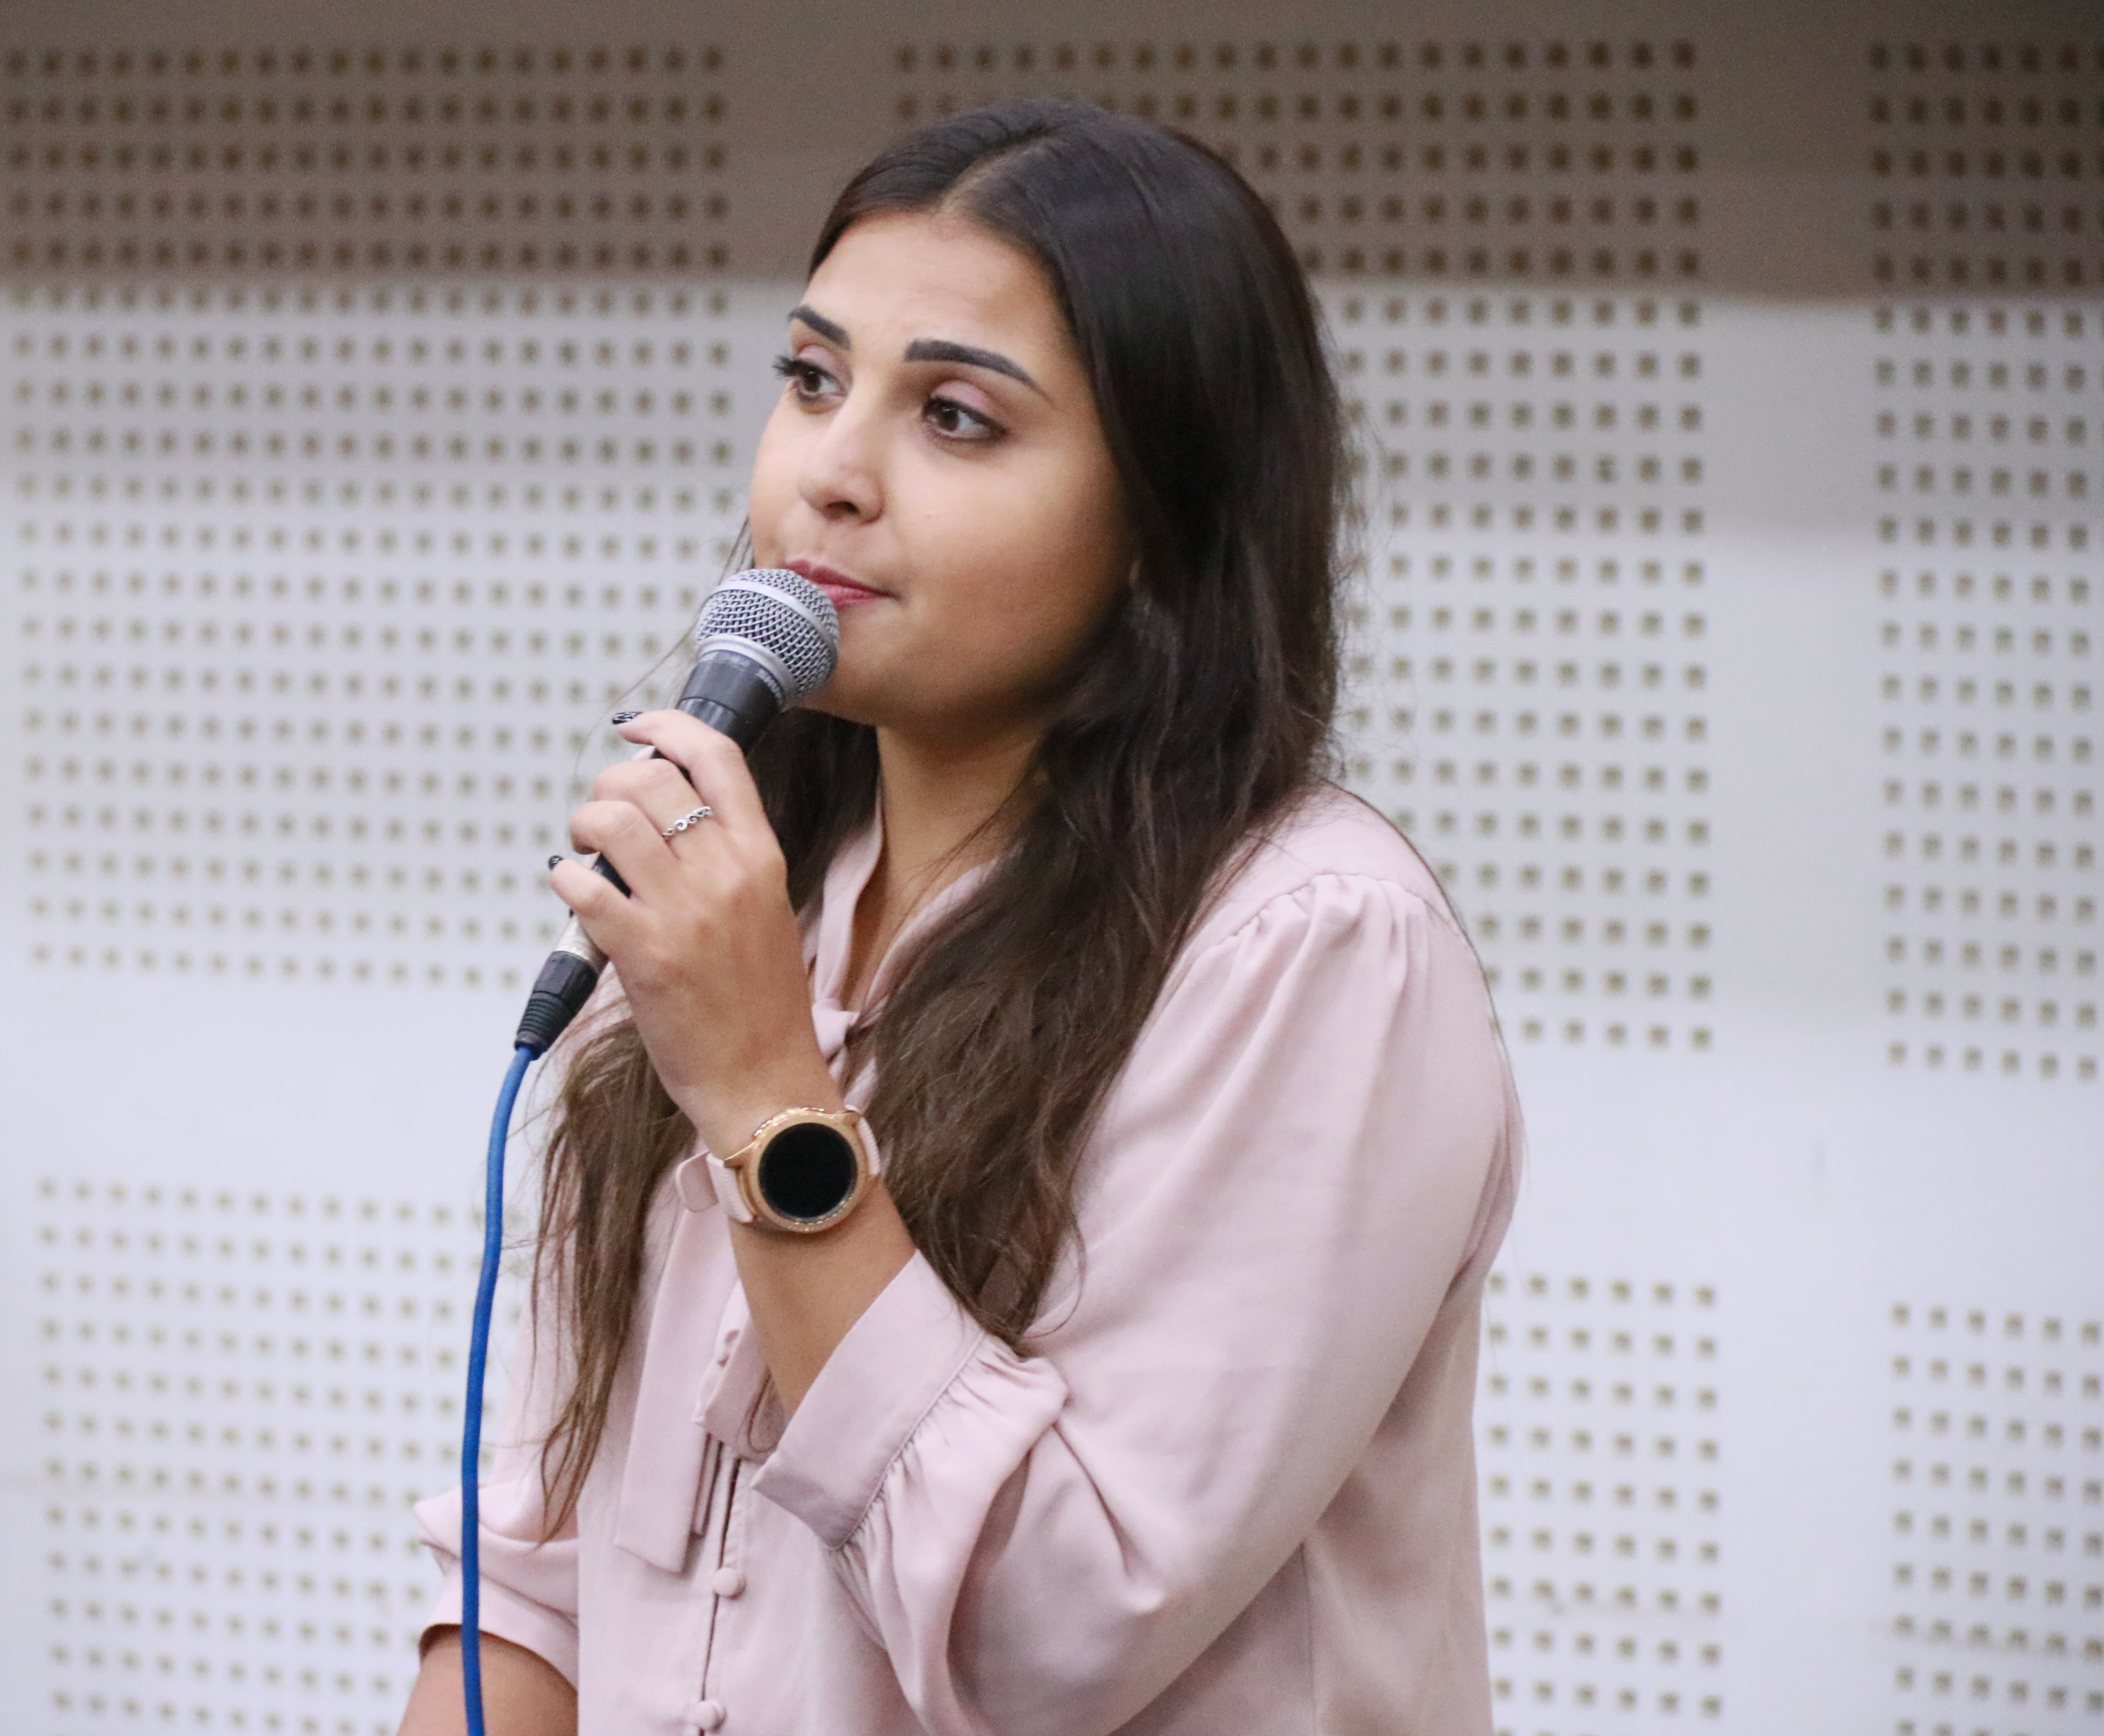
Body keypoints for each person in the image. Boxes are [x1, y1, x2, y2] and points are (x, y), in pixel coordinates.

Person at [402, 97, 1520, 1736]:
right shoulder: (741, 890)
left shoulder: (1310, 945)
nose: (830, 477)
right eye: (811, 380)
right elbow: (534, 1570)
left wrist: (767, 1098)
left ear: (1160, 525)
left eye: (955, 418)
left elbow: (1050, 1640)